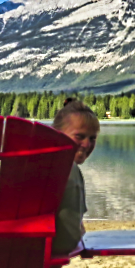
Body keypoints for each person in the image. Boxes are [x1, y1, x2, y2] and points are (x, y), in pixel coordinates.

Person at [52, 98, 100, 254]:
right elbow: (69, 239)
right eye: (79, 136)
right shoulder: (70, 170)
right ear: (57, 133)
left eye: (92, 138)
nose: (86, 144)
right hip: (46, 252)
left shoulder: (31, 162)